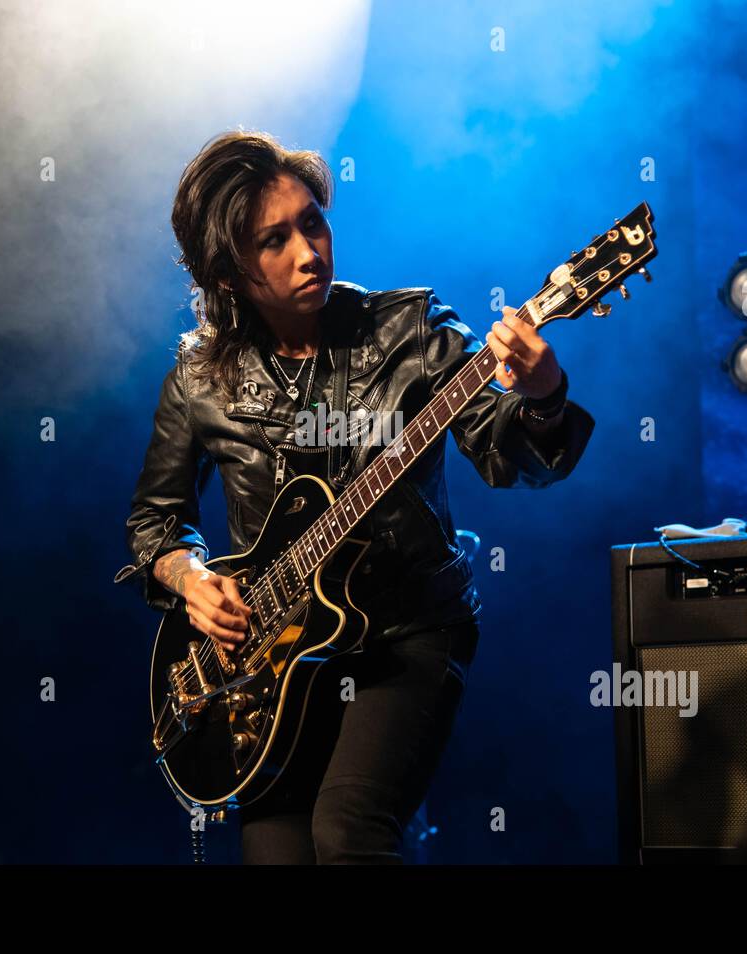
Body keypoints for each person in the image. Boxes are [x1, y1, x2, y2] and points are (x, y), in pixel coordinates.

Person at [116, 130, 594, 863]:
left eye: (312, 221)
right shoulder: (198, 379)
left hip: (407, 634)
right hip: (268, 665)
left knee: (347, 833)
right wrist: (192, 580)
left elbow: (510, 457)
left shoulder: (412, 329)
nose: (308, 251)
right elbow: (156, 521)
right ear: (228, 272)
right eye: (274, 240)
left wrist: (543, 398)